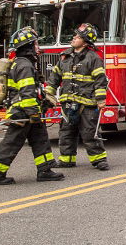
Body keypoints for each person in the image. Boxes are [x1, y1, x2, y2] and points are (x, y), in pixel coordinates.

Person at [0, 27, 65, 185]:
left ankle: (45, 170)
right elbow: (27, 93)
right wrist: (34, 113)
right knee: (11, 143)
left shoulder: (23, 63)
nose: (38, 47)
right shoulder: (24, 66)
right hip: (22, 113)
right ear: (28, 46)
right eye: (35, 44)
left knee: (40, 139)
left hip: (27, 112)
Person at [46, 23, 110, 171]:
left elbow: (100, 80)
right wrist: (49, 93)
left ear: (86, 41)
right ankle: (66, 159)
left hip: (87, 104)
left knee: (89, 133)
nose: (74, 38)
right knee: (66, 132)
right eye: (74, 36)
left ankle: (99, 160)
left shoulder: (93, 58)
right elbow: (54, 76)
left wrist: (101, 100)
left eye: (78, 36)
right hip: (68, 103)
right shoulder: (65, 57)